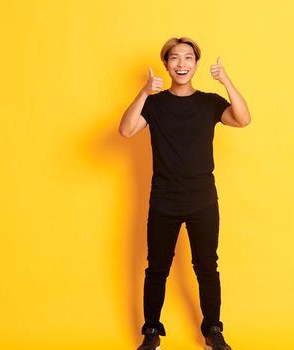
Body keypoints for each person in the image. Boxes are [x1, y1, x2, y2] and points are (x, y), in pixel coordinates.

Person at [118, 37, 251, 350]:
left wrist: (226, 80)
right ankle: (151, 333)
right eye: (175, 58)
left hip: (202, 198)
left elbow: (243, 118)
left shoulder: (209, 102)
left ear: (196, 64)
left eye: (188, 58)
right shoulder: (155, 103)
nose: (181, 64)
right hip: (164, 198)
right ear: (166, 64)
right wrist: (143, 92)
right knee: (157, 267)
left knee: (207, 265)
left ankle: (213, 332)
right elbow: (125, 130)